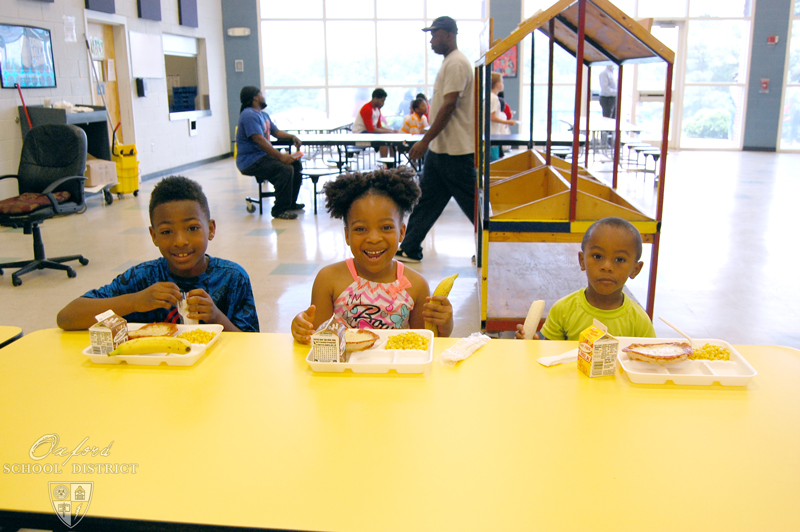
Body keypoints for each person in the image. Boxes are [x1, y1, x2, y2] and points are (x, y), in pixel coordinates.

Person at [57, 176, 259, 332]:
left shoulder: (233, 278)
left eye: (192, 228)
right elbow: (67, 317)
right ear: (154, 236)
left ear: (211, 229)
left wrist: (216, 317)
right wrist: (134, 301)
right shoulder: (143, 278)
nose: (180, 241)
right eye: (166, 232)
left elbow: (251, 346)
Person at [290, 168, 454, 343]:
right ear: (347, 235)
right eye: (360, 229)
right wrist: (301, 328)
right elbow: (317, 339)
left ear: (402, 232)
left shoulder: (417, 286)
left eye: (386, 227)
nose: (374, 239)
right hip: (342, 370)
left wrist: (446, 324)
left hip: (395, 370)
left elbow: (424, 342)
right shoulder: (328, 280)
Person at [396, 16, 476, 263]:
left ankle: (494, 247)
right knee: (427, 200)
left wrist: (425, 140)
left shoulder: (456, 64)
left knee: (474, 204)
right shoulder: (450, 63)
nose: (431, 40)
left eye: (435, 35)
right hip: (443, 150)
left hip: (455, 151)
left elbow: (449, 105)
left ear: (449, 35)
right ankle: (409, 247)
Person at [515, 217, 656, 341]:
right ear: (582, 261)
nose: (607, 267)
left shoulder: (640, 321)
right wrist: (529, 346)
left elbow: (648, 361)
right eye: (598, 256)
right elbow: (548, 358)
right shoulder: (563, 310)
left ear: (635, 270)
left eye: (619, 259)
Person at [236, 86, 304, 220]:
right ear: (255, 97)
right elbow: (259, 139)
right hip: (251, 161)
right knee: (284, 169)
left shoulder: (263, 115)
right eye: (261, 94)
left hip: (262, 157)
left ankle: (290, 203)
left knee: (295, 166)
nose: (263, 96)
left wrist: (292, 137)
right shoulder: (249, 115)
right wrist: (280, 157)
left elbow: (277, 133)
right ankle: (279, 210)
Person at [352, 88, 397, 158]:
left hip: (368, 132)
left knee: (391, 142)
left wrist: (391, 131)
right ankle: (385, 165)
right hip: (360, 134)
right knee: (384, 142)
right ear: (375, 99)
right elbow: (371, 129)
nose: (383, 104)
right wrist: (390, 132)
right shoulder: (367, 109)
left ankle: (392, 164)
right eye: (382, 101)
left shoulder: (377, 109)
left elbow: (379, 126)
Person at [490, 73, 517, 160]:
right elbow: (492, 117)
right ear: (497, 84)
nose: (503, 84)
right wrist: (508, 122)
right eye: (502, 82)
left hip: (493, 135)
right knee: (494, 163)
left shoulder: (491, 97)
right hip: (492, 135)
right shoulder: (494, 99)